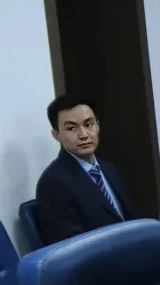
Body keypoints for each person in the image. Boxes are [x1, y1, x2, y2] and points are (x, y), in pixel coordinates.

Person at [32, 95, 137, 246]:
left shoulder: (109, 168)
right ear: (57, 135)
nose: (84, 135)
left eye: (88, 124)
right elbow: (70, 247)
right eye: (72, 128)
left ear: (97, 126)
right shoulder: (53, 183)